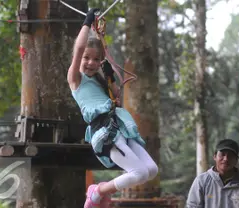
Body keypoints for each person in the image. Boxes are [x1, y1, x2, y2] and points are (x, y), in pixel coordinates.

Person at [67, 8, 158, 208]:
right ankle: (97, 191)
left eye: (95, 59)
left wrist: (109, 77)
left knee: (151, 170)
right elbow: (79, 49)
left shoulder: (100, 80)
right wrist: (86, 23)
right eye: (86, 58)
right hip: (104, 132)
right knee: (139, 173)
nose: (90, 62)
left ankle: (102, 190)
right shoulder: (76, 80)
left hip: (120, 126)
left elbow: (116, 98)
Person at [186, 139, 239, 208]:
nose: (226, 159)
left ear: (236, 160)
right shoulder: (201, 181)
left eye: (230, 156)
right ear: (215, 156)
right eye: (222, 154)